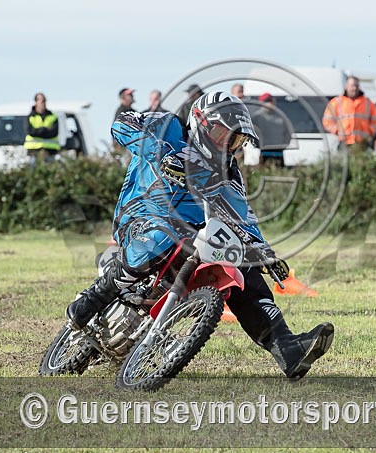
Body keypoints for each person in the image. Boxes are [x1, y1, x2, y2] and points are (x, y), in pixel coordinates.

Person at [66, 92, 334, 379]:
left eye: (235, 141)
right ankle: (94, 297)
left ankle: (287, 348)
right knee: (160, 236)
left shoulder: (228, 171)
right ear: (201, 123)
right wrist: (162, 153)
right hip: (142, 214)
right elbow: (122, 125)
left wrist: (265, 254)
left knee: (242, 268)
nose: (227, 146)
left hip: (192, 233)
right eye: (223, 135)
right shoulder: (168, 126)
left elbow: (242, 217)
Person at [322, 76, 376, 150]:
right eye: (352, 86)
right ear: (346, 86)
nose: (355, 88)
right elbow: (327, 121)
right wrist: (337, 130)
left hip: (363, 143)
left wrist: (370, 132)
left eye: (357, 86)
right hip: (344, 143)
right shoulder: (336, 102)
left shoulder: (368, 103)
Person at [251, 93, 293, 167]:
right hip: (264, 152)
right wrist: (257, 145)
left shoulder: (281, 116)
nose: (269, 103)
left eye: (270, 100)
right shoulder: (256, 117)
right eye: (266, 101)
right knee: (263, 175)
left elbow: (288, 133)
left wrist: (284, 145)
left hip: (279, 152)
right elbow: (252, 133)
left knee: (279, 176)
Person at [24, 92, 60, 161]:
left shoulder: (53, 116)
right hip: (33, 152)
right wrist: (45, 129)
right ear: (36, 102)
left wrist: (38, 131)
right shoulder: (30, 117)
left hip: (50, 152)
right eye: (42, 101)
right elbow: (31, 132)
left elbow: (54, 132)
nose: (44, 103)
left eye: (45, 101)